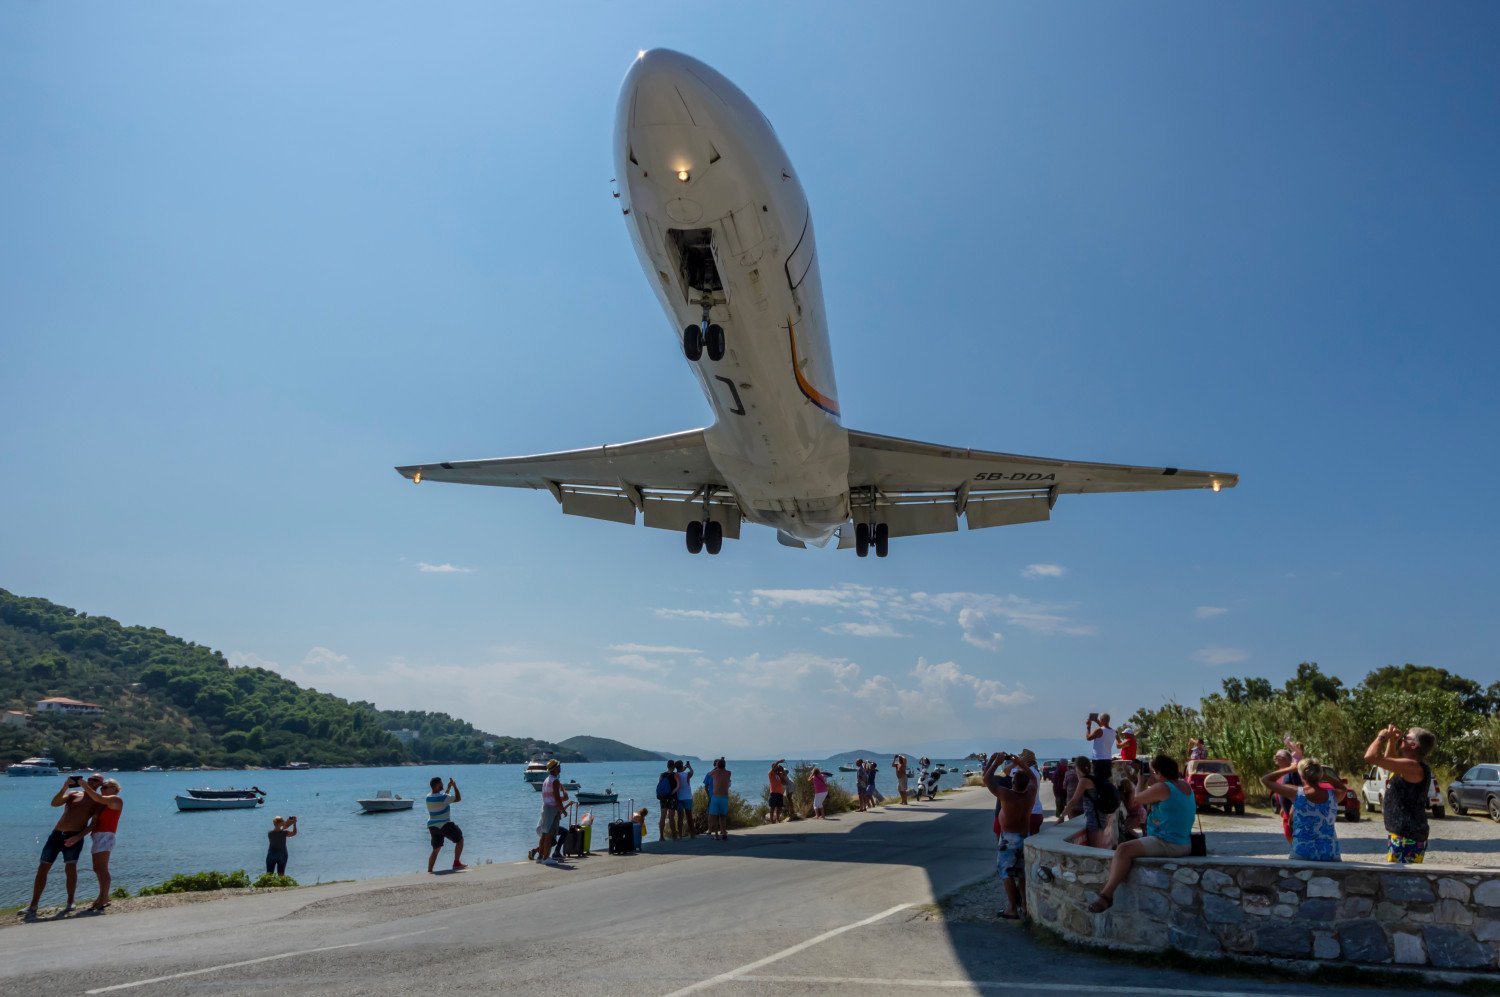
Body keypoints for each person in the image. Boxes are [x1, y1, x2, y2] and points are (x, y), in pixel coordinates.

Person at [1087, 754, 1196, 912]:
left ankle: (1106, 896)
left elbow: (1136, 799)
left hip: (1167, 843)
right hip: (1184, 843)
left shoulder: (1163, 787)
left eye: (1152, 771)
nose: (1150, 774)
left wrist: (1141, 780)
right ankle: (1107, 894)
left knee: (1123, 850)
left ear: (1159, 772)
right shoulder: (1185, 785)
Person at [21, 773, 100, 917]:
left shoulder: (98, 801)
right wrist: (64, 787)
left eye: (95, 780)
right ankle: (33, 905)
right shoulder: (74, 793)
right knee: (43, 867)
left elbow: (92, 825)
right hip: (56, 835)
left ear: (100, 784)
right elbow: (55, 803)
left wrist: (77, 837)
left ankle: (70, 901)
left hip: (74, 837)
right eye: (89, 779)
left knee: (70, 868)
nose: (90, 781)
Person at [1364, 724, 1436, 864]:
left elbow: (1370, 757)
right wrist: (1392, 741)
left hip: (1407, 837)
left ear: (1414, 745)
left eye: (1405, 738)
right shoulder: (1409, 766)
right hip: (1403, 835)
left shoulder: (1413, 766)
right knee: (1399, 879)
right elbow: (1389, 761)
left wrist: (1382, 737)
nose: (1402, 739)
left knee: (1402, 881)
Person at [984, 752, 1037, 920]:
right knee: (1021, 873)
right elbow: (1034, 779)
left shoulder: (1007, 795)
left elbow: (987, 779)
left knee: (1006, 873)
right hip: (1024, 836)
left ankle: (1012, 908)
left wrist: (995, 761)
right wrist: (1021, 762)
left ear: (1013, 782)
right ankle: (1025, 906)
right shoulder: (1030, 793)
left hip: (1009, 838)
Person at [1262, 758, 1345, 862]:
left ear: (1300, 775)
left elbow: (1266, 780)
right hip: (1330, 853)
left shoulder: (1296, 793)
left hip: (1301, 853)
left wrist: (1289, 769)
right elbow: (1342, 788)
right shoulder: (1333, 795)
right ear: (1319, 774)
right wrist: (1325, 775)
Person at [77, 774, 122, 912]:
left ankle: (103, 898)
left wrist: (84, 785)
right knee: (97, 868)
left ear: (114, 789)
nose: (102, 789)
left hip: (105, 836)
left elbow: (97, 797)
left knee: (102, 868)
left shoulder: (116, 800)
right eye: (101, 788)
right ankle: (103, 896)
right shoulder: (104, 803)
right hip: (98, 836)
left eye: (105, 787)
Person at [1063, 754, 1114, 847]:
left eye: (1075, 768)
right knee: (1099, 847)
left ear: (1078, 768)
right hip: (1101, 816)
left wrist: (1060, 818)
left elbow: (1073, 802)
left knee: (1095, 849)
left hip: (1094, 818)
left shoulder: (1084, 781)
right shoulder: (1094, 777)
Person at [426, 776, 465, 873]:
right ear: (436, 785)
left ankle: (429, 871)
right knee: (460, 839)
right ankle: (456, 863)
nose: (443, 785)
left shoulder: (428, 797)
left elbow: (443, 799)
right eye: (441, 783)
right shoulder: (443, 797)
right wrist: (455, 786)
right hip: (444, 824)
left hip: (433, 826)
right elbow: (458, 798)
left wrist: (448, 788)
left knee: (435, 849)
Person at [533, 761, 566, 865]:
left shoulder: (546, 780)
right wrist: (563, 810)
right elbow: (557, 798)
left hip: (545, 807)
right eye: (558, 766)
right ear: (555, 768)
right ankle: (546, 858)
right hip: (552, 809)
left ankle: (540, 857)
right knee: (549, 835)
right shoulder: (555, 781)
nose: (560, 767)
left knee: (544, 834)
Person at [1267, 748, 1302, 843]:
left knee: (1293, 833)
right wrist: (1282, 807)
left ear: (1286, 759)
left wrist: (1293, 807)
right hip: (1286, 810)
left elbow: (1299, 791)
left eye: (1277, 756)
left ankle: (1296, 851)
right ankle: (1294, 850)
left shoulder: (1293, 772)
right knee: (1288, 833)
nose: (1275, 758)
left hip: (1293, 811)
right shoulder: (1282, 772)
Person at [1085, 712, 1115, 786]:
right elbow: (1105, 728)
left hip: (1098, 759)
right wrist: (1097, 721)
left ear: (1101, 720)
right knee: (1106, 781)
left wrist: (1088, 727)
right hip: (1108, 759)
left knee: (1097, 781)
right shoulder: (1113, 732)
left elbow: (1088, 738)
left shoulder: (1099, 730)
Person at [708, 758, 732, 840]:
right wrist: (722, 763)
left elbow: (709, 773)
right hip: (724, 797)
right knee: (723, 816)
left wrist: (716, 767)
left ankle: (716, 834)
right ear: (725, 765)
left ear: (717, 765)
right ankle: (724, 832)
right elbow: (724, 771)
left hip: (715, 797)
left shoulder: (714, 772)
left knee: (714, 816)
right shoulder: (728, 773)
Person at [676, 760, 696, 839]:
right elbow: (692, 771)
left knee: (680, 817)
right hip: (688, 797)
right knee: (689, 816)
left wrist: (684, 767)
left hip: (679, 798)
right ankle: (692, 834)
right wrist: (689, 766)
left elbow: (679, 771)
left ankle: (680, 835)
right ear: (682, 766)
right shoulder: (687, 774)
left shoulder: (675, 775)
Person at [655, 765, 677, 841]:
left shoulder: (662, 775)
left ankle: (661, 836)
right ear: (673, 767)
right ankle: (674, 835)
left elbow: (660, 786)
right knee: (671, 818)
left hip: (663, 798)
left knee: (662, 817)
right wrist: (672, 793)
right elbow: (678, 786)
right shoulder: (675, 775)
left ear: (667, 766)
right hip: (672, 798)